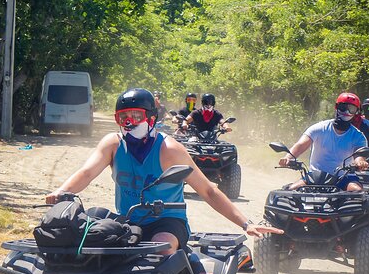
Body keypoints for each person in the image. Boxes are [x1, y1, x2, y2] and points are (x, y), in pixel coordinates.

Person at [46, 88, 282, 255]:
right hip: (129, 221)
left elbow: (208, 190)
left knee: (161, 247)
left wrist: (245, 224)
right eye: (123, 117)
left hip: (167, 222)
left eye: (136, 116)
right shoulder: (113, 144)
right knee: (89, 242)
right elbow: (86, 173)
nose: (129, 122)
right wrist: (61, 192)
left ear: (151, 118)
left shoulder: (170, 149)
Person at [278, 92, 369, 192]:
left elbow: (359, 154)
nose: (346, 111)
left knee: (357, 192)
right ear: (336, 107)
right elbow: (301, 145)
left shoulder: (358, 136)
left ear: (356, 112)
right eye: (343, 107)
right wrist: (288, 157)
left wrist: (360, 162)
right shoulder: (319, 128)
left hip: (344, 177)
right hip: (315, 176)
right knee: (291, 191)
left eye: (351, 109)